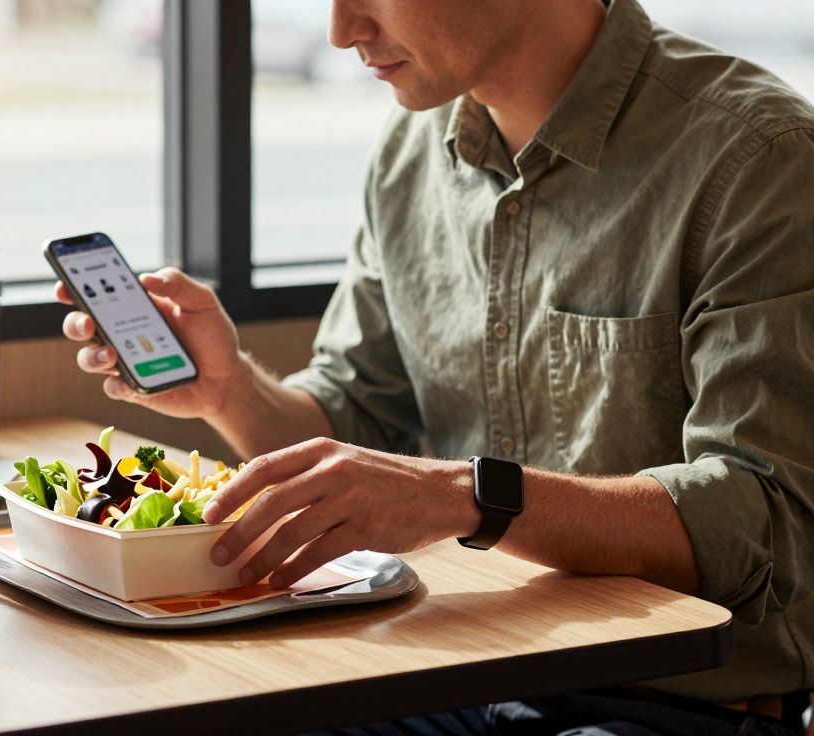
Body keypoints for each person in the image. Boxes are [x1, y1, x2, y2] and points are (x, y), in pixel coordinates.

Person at [58, 0, 813, 733]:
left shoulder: (759, 157)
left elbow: (765, 520)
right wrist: (231, 390)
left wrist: (468, 496)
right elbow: (355, 419)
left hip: (666, 704)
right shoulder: (410, 153)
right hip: (450, 668)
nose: (340, 30)